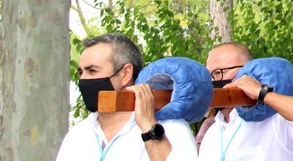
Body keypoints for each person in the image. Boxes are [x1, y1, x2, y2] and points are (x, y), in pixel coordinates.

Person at [56, 33, 198, 161]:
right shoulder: (77, 135)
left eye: (92, 71)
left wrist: (150, 128)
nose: (84, 79)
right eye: (81, 73)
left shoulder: (171, 128)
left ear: (125, 74)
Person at [199, 42, 293, 161]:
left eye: (218, 73)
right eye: (208, 75)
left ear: (247, 71)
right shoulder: (212, 134)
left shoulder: (278, 118)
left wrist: (261, 93)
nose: (212, 81)